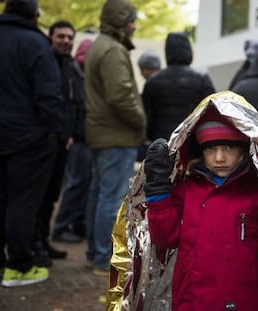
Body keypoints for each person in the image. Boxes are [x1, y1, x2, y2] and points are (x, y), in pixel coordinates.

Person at [143, 108, 258, 310]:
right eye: (210, 149)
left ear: (243, 149)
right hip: (193, 300)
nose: (219, 157)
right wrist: (158, 192)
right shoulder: (187, 190)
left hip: (246, 300)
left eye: (229, 148)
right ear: (201, 151)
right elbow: (165, 239)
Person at [0, 0, 65, 287]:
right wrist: (56, 132)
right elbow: (49, 94)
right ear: (34, 14)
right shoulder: (36, 43)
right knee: (23, 201)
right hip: (31, 137)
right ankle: (20, 266)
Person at [85, 0, 146, 276]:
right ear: (121, 21)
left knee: (99, 195)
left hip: (104, 133)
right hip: (115, 135)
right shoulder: (112, 50)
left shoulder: (102, 45)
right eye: (130, 20)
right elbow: (120, 95)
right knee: (110, 199)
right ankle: (101, 256)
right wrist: (140, 121)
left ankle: (94, 253)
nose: (133, 25)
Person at [50, 30, 92, 244]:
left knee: (81, 183)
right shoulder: (75, 72)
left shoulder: (78, 71)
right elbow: (75, 107)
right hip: (78, 138)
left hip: (81, 137)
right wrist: (73, 134)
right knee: (76, 183)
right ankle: (60, 227)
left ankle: (76, 225)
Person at [142, 32, 215, 142]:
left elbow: (148, 115)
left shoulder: (153, 81)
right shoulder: (201, 78)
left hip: (162, 141)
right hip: (191, 141)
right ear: (188, 51)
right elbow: (211, 111)